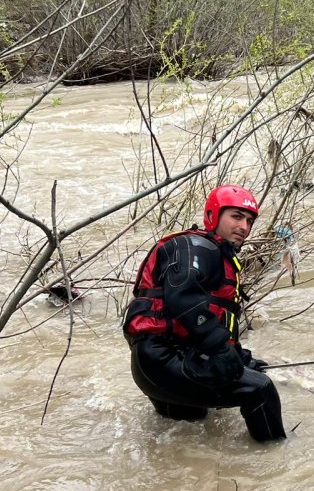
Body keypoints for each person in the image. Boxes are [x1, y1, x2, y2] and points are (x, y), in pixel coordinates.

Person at [122, 184, 286, 442]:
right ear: (213, 216)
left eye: (249, 221)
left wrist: (240, 358)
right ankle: (277, 460)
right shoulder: (196, 248)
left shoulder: (214, 253)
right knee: (259, 389)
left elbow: (213, 318)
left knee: (188, 432)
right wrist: (222, 352)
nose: (244, 226)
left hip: (161, 363)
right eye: (236, 216)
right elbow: (182, 298)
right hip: (162, 360)